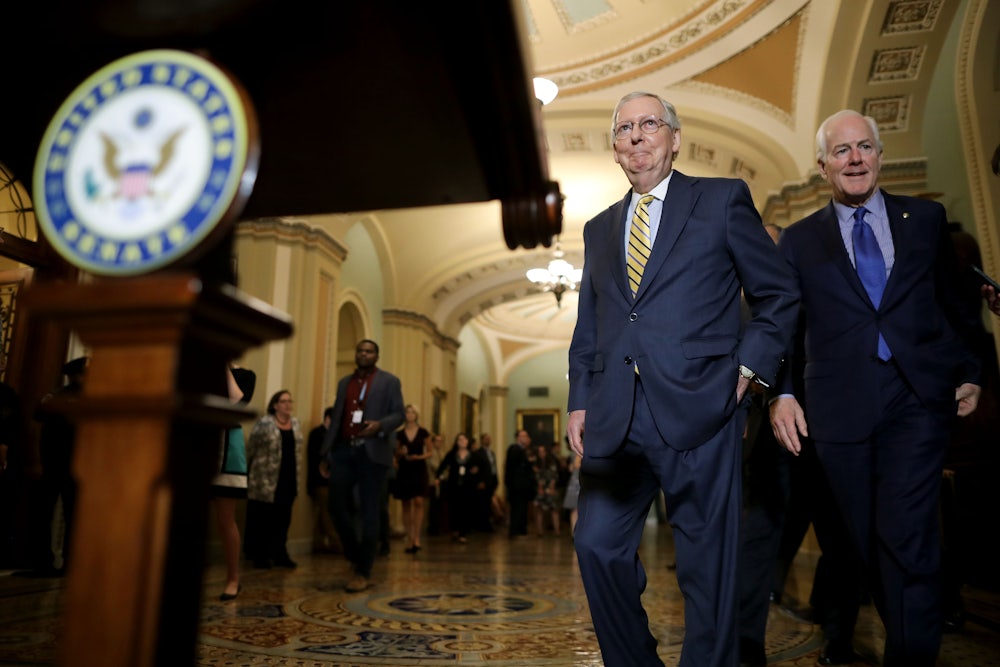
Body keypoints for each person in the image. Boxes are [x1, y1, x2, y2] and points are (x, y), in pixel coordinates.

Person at [566, 91, 798, 667]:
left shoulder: (721, 200)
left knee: (707, 568)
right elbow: (589, 327)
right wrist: (577, 401)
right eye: (624, 128)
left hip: (703, 408)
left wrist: (748, 370)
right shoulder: (598, 229)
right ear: (616, 148)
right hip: (615, 416)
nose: (637, 136)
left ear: (674, 138)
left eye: (650, 124)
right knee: (595, 545)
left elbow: (778, 294)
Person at [770, 109, 983, 667]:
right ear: (823, 167)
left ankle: (911, 657)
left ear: (881, 156)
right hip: (837, 410)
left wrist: (970, 371)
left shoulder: (927, 219)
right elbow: (785, 329)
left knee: (906, 535)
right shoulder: (797, 240)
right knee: (864, 543)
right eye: (842, 151)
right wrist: (783, 393)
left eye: (864, 147)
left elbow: (956, 305)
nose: (856, 159)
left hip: (916, 399)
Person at [319, 339, 405, 593]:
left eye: (369, 351)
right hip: (345, 450)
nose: (364, 354)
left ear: (376, 356)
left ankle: (363, 571)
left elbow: (399, 414)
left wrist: (380, 425)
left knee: (370, 512)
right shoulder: (345, 382)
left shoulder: (389, 381)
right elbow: (336, 418)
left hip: (373, 452)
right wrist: (326, 453)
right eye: (360, 350)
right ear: (356, 354)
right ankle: (356, 554)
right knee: (335, 505)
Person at [18, 356, 88, 577]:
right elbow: (35, 428)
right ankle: (42, 562)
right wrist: (36, 460)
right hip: (52, 463)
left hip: (76, 467)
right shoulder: (55, 397)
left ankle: (71, 563)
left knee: (74, 516)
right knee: (42, 513)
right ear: (75, 375)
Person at [210, 365, 256, 601]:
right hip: (199, 437)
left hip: (228, 445)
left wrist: (224, 366)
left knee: (225, 519)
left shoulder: (245, 376)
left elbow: (237, 402)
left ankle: (233, 578)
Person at [244, 389, 303, 570]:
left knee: (283, 519)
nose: (288, 404)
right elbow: (252, 448)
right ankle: (260, 555)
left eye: (289, 401)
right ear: (275, 405)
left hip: (288, 478)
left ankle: (280, 554)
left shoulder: (295, 424)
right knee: (263, 520)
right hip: (265, 480)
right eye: (283, 401)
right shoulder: (265, 423)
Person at [393, 404, 431, 554]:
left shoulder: (423, 432)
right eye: (407, 412)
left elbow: (430, 452)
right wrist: (400, 453)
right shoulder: (400, 434)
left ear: (417, 415)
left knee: (419, 501)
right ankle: (409, 537)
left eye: (412, 412)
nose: (410, 414)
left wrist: (419, 457)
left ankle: (416, 536)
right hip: (405, 469)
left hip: (419, 468)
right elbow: (396, 453)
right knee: (406, 503)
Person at [434, 432, 481, 543]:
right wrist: (438, 477)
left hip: (467, 486)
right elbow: (443, 466)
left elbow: (478, 468)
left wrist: (476, 472)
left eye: (464, 439)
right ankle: (454, 530)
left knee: (465, 509)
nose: (462, 441)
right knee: (454, 508)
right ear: (456, 442)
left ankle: (463, 533)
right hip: (454, 485)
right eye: (460, 439)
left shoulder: (473, 455)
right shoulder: (452, 454)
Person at [307, 406, 341, 554]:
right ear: (328, 419)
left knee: (323, 512)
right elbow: (317, 457)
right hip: (320, 479)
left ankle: (318, 543)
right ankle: (337, 544)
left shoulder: (334, 435)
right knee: (327, 513)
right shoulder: (318, 434)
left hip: (331, 479)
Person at [503, 429, 536, 539]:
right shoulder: (514, 449)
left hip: (522, 486)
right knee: (517, 509)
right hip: (516, 486)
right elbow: (515, 467)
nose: (525, 438)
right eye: (523, 436)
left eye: (526, 436)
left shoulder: (523, 450)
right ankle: (515, 532)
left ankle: (521, 531)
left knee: (522, 509)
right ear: (518, 437)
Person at [532, 443, 561, 537]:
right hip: (540, 489)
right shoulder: (536, 463)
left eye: (543, 451)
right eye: (539, 452)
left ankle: (557, 531)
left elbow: (555, 475)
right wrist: (539, 487)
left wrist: (552, 487)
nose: (541, 453)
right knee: (539, 509)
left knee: (554, 509)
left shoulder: (551, 462)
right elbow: (536, 477)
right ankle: (539, 531)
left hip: (550, 488)